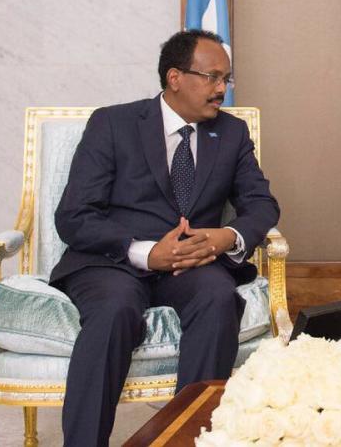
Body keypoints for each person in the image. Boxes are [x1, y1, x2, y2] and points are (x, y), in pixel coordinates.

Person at [51, 29, 280, 446]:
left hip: (193, 264)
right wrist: (144, 251)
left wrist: (226, 236)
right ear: (175, 78)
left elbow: (262, 204)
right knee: (114, 310)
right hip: (115, 262)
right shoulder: (113, 124)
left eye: (226, 79)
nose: (221, 90)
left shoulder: (231, 133)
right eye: (212, 77)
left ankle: (186, 438)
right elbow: (74, 215)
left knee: (217, 297)